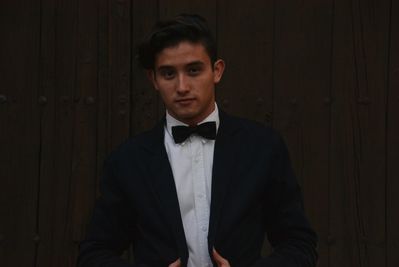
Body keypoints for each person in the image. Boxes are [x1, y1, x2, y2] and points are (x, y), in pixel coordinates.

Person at [78, 14, 318, 267]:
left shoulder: (262, 147)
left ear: (217, 71)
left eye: (193, 70)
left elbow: (299, 244)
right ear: (153, 80)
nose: (182, 86)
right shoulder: (127, 161)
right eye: (169, 74)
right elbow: (94, 254)